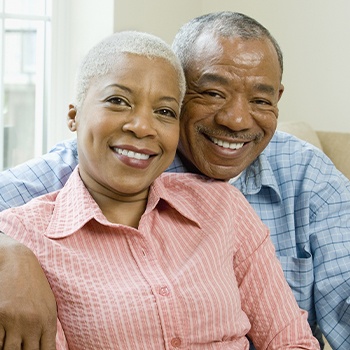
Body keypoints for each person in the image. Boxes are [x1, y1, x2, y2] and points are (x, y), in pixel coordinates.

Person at [0, 10, 349, 349]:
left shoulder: (286, 181)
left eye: (163, 110)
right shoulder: (55, 191)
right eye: (213, 92)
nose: (237, 119)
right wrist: (8, 251)